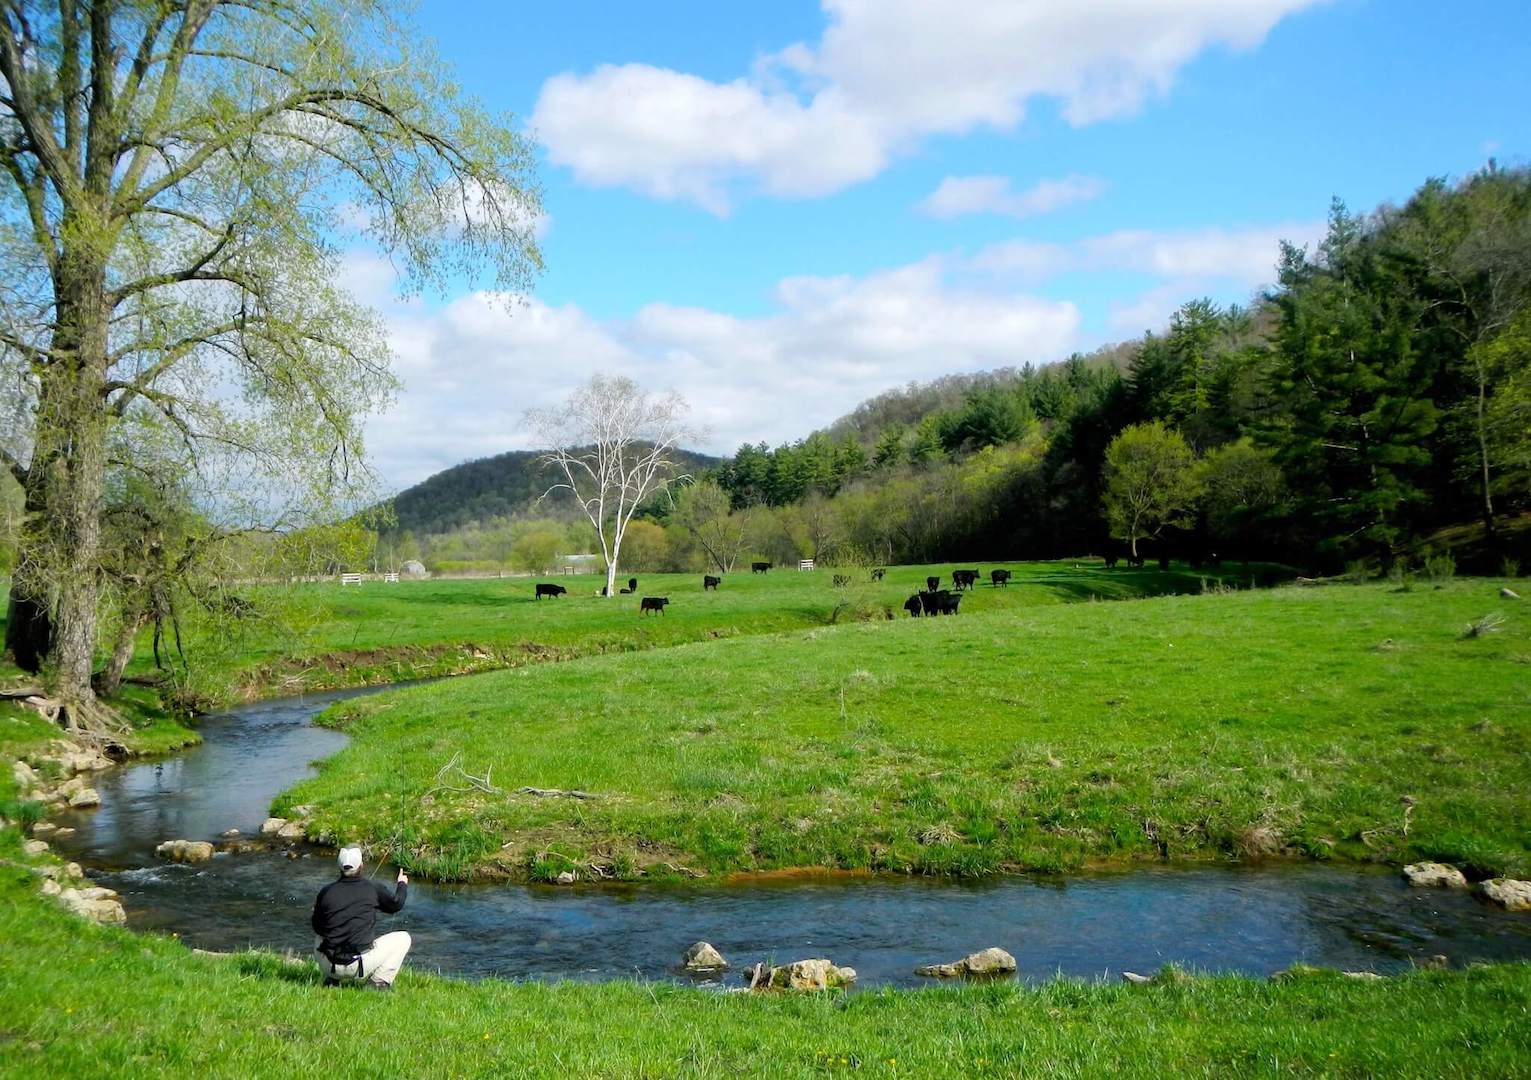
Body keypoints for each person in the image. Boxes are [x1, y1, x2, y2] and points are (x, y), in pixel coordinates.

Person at [311, 845, 411, 991]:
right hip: (360, 967)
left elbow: (317, 927)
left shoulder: (325, 892)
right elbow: (396, 904)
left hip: (329, 965)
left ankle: (332, 981)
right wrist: (402, 884)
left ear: (339, 867)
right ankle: (378, 983)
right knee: (404, 938)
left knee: (320, 934)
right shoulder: (373, 888)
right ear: (361, 866)